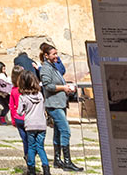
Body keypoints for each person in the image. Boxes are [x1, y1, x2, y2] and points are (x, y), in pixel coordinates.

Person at [38, 43, 81, 171]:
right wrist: (63, 87)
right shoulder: (45, 68)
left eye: (57, 53)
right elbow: (47, 86)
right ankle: (67, 161)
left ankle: (57, 160)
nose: (56, 56)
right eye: (54, 54)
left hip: (60, 103)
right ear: (46, 55)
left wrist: (67, 89)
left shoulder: (54, 66)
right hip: (54, 105)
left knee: (58, 132)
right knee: (65, 131)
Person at [18, 70, 51, 175]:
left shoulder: (23, 97)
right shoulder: (40, 95)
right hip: (41, 124)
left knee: (31, 147)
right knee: (40, 147)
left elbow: (19, 112)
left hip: (30, 125)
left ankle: (31, 168)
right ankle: (46, 168)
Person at [10, 67, 28, 161]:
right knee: (31, 140)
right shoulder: (26, 90)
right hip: (28, 118)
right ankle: (31, 154)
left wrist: (13, 121)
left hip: (18, 118)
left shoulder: (13, 90)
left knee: (24, 140)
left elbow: (12, 106)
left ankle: (27, 155)